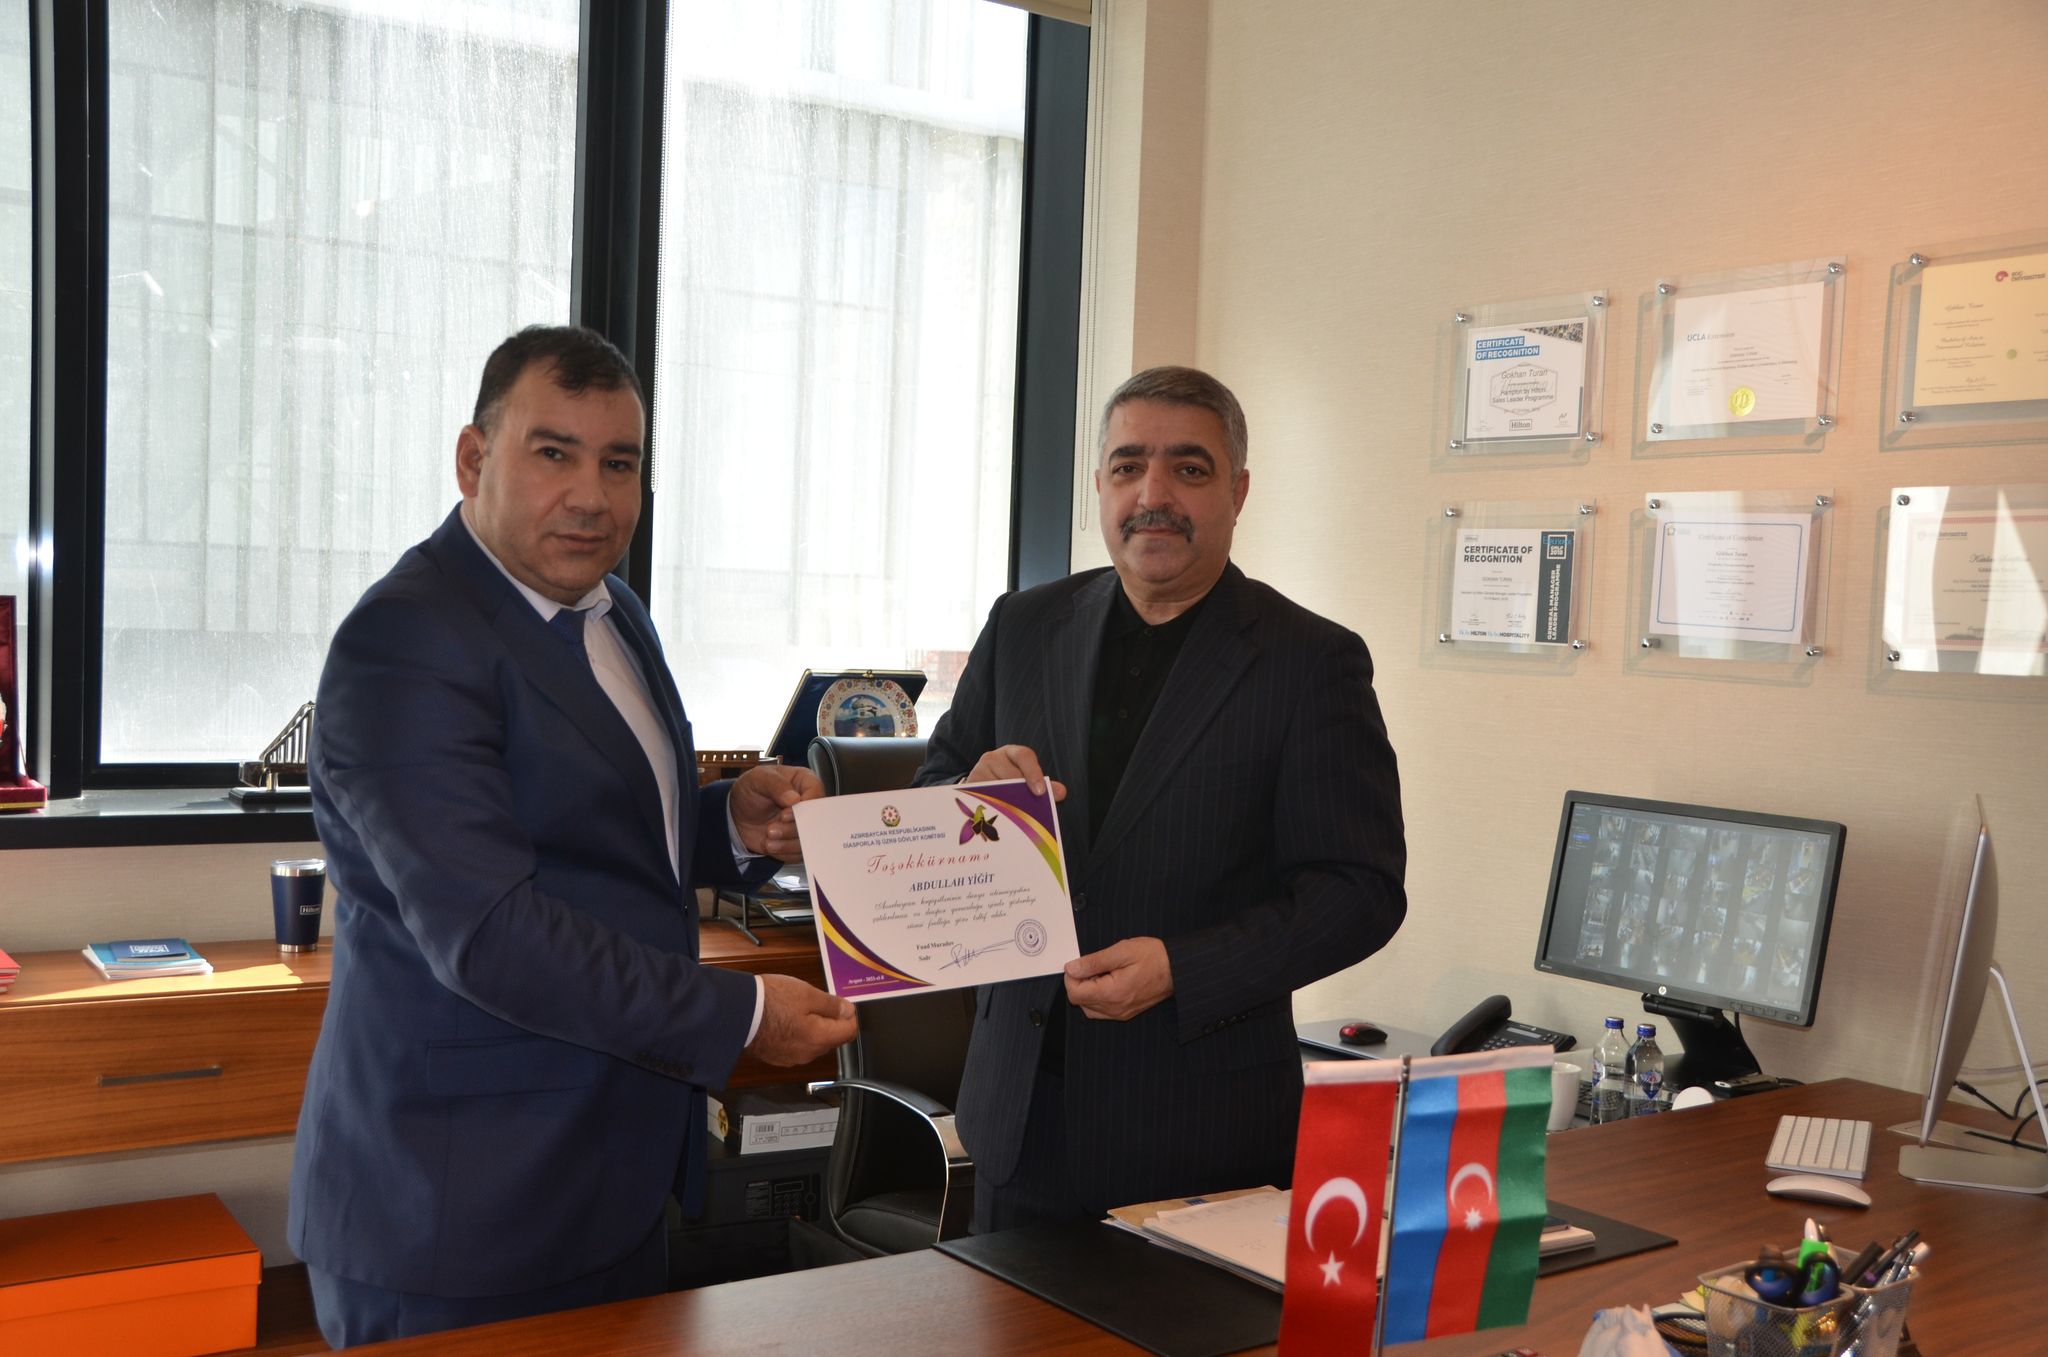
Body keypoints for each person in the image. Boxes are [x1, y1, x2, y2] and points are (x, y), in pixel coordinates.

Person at [288, 326, 857, 1347]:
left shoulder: (612, 609)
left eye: (619, 462)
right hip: (460, 1211)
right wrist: (737, 1017)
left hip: (612, 1181)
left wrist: (727, 820)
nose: (591, 496)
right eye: (553, 453)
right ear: (473, 459)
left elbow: (598, 833)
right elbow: (491, 933)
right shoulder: (408, 640)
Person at [916, 365, 1406, 1230]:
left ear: (1238, 492)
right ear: (1100, 485)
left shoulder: (1309, 661)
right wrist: (967, 799)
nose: (1153, 495)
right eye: (1128, 465)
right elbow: (934, 788)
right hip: (1019, 1125)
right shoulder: (1023, 625)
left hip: (1199, 1137)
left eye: (1188, 468)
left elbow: (1359, 890)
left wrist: (1184, 968)